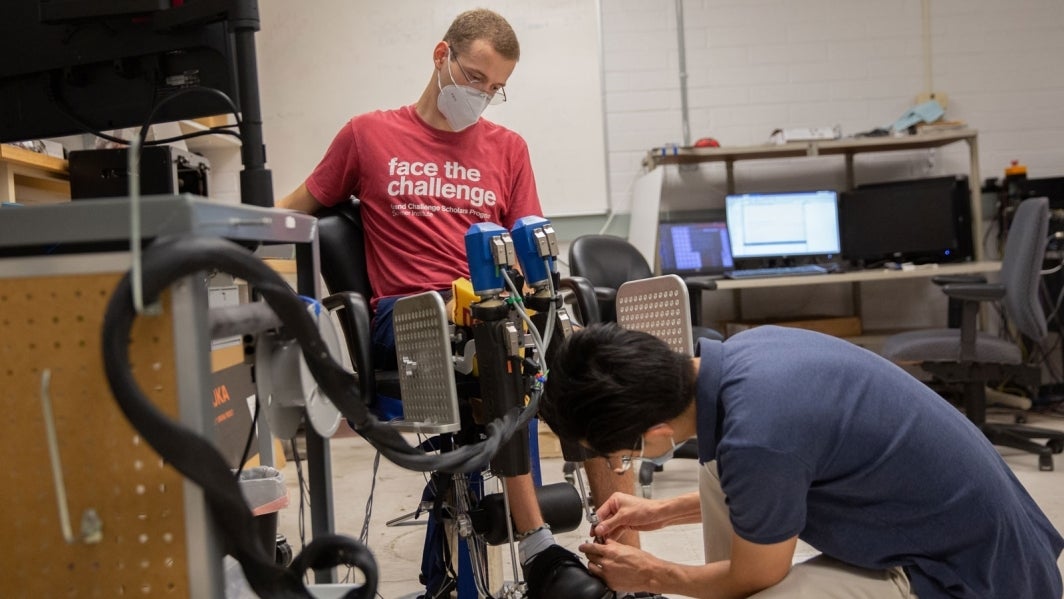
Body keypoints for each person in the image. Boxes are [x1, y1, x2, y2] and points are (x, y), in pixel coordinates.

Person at [277, 9, 634, 598]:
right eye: (475, 78)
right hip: (412, 314)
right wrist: (225, 237)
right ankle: (539, 548)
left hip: (489, 302)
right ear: (440, 55)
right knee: (498, 341)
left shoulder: (508, 148)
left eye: (496, 89)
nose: (483, 96)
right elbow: (298, 207)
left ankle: (625, 559)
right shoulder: (368, 135)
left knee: (595, 365)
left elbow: (530, 245)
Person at [541, 323, 1064, 598]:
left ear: (654, 433)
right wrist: (657, 514)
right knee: (718, 472)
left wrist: (653, 574)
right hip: (970, 534)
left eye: (621, 453)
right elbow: (773, 485)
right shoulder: (746, 357)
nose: (623, 461)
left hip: (970, 578)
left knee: (751, 590)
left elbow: (755, 576)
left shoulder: (759, 439)